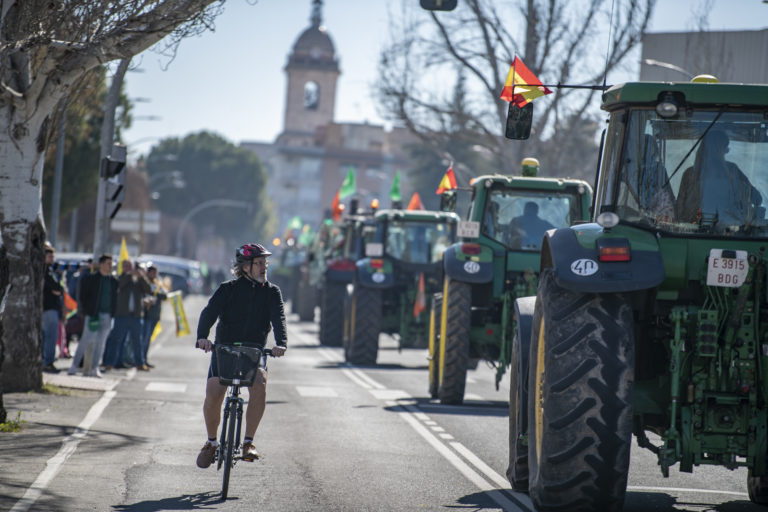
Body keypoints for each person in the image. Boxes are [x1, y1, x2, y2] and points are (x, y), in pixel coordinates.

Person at [195, 243, 287, 468]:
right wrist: (202, 337)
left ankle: (248, 442)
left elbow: (279, 319)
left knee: (260, 384)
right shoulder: (228, 289)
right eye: (259, 263)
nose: (264, 267)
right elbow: (209, 313)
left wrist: (281, 343)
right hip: (225, 348)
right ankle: (211, 442)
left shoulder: (272, 292)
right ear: (245, 267)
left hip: (254, 350)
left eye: (265, 262)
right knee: (214, 391)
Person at [675, 129, 762, 226]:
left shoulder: (690, 173)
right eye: (725, 148)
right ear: (719, 149)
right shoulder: (732, 170)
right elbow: (757, 199)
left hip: (693, 232)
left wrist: (685, 228)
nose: (726, 152)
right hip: (729, 231)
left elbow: (679, 210)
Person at [69, 254, 118, 377]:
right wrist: (86, 311)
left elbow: (115, 298)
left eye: (111, 264)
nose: (110, 266)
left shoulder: (113, 281)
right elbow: (83, 296)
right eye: (108, 263)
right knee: (86, 340)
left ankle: (94, 367)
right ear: (101, 264)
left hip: (107, 315)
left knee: (101, 343)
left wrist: (113, 313)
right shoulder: (92, 279)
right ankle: (74, 365)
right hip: (93, 314)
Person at [102, 259, 152, 371]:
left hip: (136, 315)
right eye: (125, 266)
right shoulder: (119, 278)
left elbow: (148, 289)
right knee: (116, 340)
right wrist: (129, 275)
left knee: (137, 341)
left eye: (129, 266)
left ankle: (140, 363)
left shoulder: (138, 280)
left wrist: (141, 277)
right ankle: (110, 362)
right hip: (122, 315)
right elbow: (119, 285)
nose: (128, 268)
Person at [140, 263, 168, 368]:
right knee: (144, 339)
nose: (154, 275)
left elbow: (165, 295)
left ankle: (144, 359)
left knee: (148, 339)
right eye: (152, 272)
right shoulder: (144, 282)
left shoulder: (158, 284)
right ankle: (140, 360)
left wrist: (158, 296)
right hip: (146, 315)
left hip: (155, 316)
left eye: (156, 273)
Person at [42, 242, 63, 373]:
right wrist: (58, 289)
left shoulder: (50, 271)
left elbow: (58, 289)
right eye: (49, 256)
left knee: (47, 337)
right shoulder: (45, 272)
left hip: (49, 309)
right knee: (50, 337)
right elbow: (57, 288)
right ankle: (47, 362)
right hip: (48, 308)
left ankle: (45, 361)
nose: (52, 258)